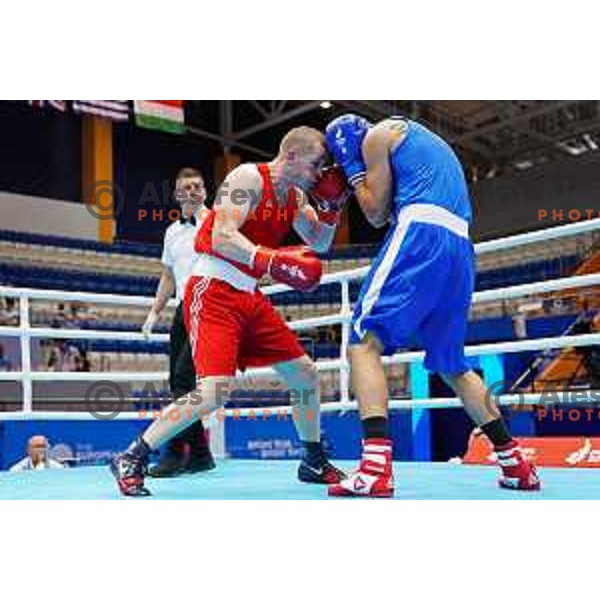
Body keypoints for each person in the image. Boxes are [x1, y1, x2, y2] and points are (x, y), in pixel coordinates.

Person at [111, 127, 348, 496]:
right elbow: (222, 235)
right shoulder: (248, 177)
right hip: (213, 289)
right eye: (317, 163)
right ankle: (133, 455)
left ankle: (313, 459)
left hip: (249, 295)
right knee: (213, 391)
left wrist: (332, 208)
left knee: (304, 374)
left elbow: (319, 242)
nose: (321, 172)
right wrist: (267, 258)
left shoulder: (297, 197)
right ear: (293, 156)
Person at [324, 114, 541, 497]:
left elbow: (375, 214)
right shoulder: (424, 139)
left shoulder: (376, 137)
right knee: (451, 363)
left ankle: (375, 469)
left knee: (362, 342)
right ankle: (516, 464)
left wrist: (355, 171)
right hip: (460, 248)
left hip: (422, 233)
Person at [141, 167, 215, 477]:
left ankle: (175, 451)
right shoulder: (172, 232)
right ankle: (199, 454)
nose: (193, 191)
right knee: (178, 381)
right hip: (184, 309)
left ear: (205, 191)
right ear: (177, 194)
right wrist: (154, 313)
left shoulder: (219, 221)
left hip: (212, 306)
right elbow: (168, 276)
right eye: (186, 186)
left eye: (198, 185)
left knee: (185, 380)